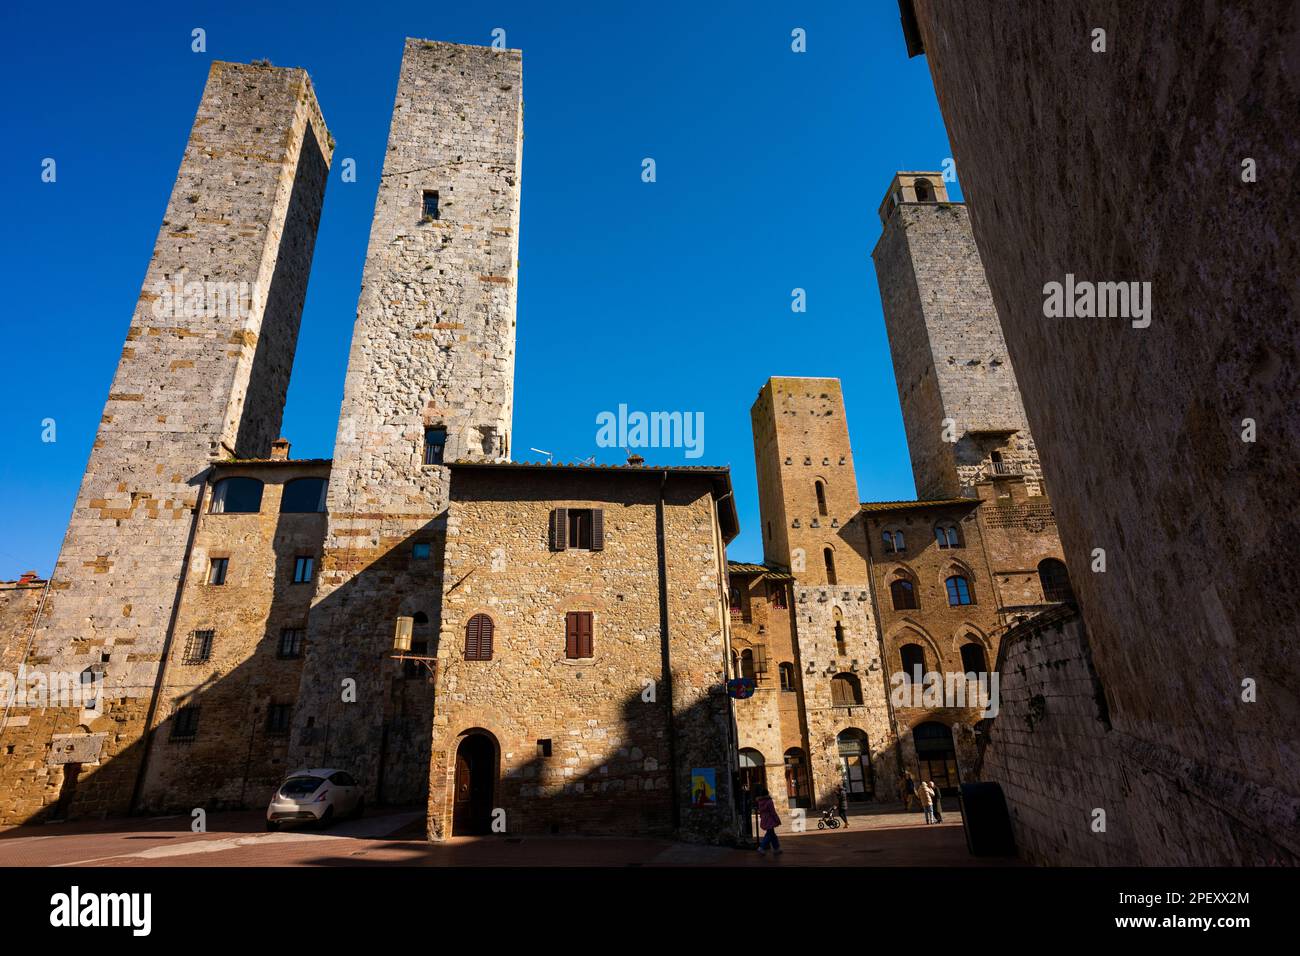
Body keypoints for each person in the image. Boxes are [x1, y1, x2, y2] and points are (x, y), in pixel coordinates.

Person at [754, 786, 783, 855]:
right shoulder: (769, 801)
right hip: (770, 819)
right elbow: (773, 812)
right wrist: (777, 819)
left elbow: (760, 812)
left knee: (772, 834)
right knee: (770, 834)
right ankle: (762, 847)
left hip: (764, 819)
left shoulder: (760, 802)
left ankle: (776, 848)